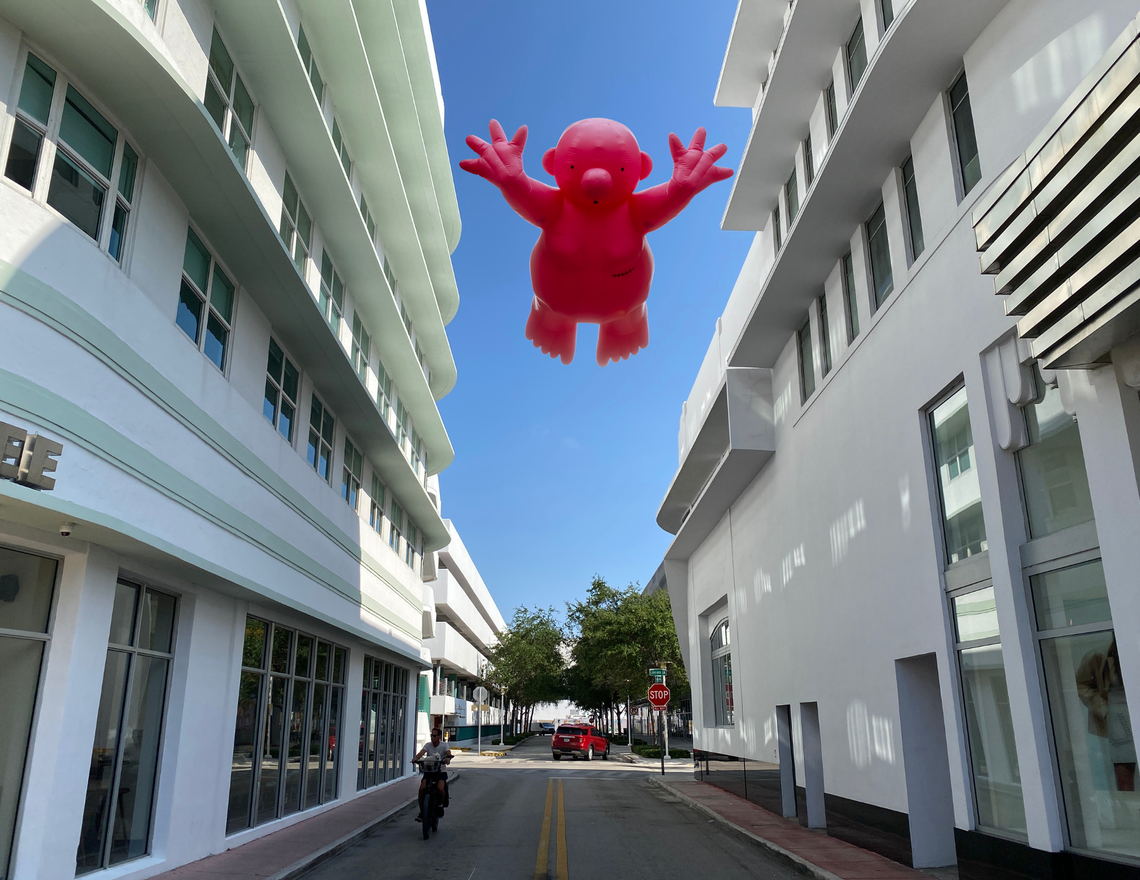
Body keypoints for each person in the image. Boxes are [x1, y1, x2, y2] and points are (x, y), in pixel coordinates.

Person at [413, 728, 452, 821]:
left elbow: (448, 753)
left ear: (439, 737)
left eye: (434, 736)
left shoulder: (444, 745)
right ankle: (422, 811)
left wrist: (447, 759)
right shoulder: (428, 745)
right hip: (429, 771)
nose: (432, 737)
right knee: (422, 788)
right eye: (431, 735)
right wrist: (415, 758)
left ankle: (440, 805)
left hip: (440, 771)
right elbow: (421, 753)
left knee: (440, 788)